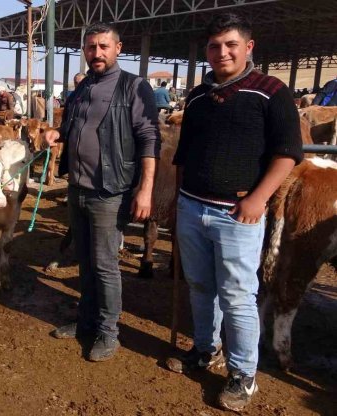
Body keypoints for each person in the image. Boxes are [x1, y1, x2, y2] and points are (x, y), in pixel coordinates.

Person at [171, 14, 302, 412]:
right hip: (192, 206)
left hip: (236, 213)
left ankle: (243, 374)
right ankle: (205, 349)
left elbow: (288, 155)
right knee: (199, 286)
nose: (222, 52)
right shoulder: (196, 96)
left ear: (249, 46)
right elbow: (184, 155)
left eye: (230, 44)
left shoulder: (271, 92)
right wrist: (178, 202)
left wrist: (259, 199)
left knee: (237, 296)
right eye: (214, 46)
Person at [44, 22, 160, 362]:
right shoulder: (81, 90)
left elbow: (150, 139)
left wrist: (145, 189)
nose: (97, 53)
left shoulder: (134, 87)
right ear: (84, 50)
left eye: (103, 46)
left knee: (106, 265)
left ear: (118, 48)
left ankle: (109, 333)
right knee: (85, 261)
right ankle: (85, 322)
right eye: (91, 47)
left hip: (111, 190)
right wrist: (57, 134)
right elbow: (72, 126)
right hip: (78, 188)